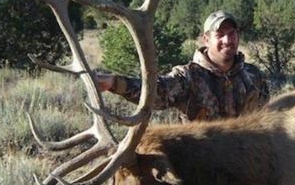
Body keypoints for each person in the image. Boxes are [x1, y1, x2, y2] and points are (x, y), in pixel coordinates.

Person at [96, 10, 270, 122]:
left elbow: (266, 116)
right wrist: (114, 83)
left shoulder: (253, 75)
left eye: (232, 34)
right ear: (206, 39)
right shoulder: (188, 76)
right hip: (201, 164)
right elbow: (156, 92)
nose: (227, 40)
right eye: (220, 35)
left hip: (246, 163)